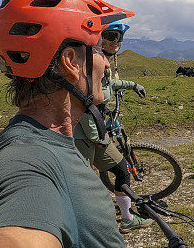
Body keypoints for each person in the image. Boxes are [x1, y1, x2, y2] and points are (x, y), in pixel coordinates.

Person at [0, 0, 133, 248]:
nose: (106, 63)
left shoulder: (49, 140)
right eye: (97, 49)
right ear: (71, 62)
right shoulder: (26, 159)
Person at [73, 21, 153, 231]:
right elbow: (82, 101)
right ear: (98, 37)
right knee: (82, 183)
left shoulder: (102, 60)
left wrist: (132, 85)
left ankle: (127, 219)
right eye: (110, 35)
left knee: (122, 170)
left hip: (95, 131)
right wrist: (97, 137)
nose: (116, 41)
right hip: (82, 134)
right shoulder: (89, 62)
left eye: (119, 37)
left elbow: (108, 85)